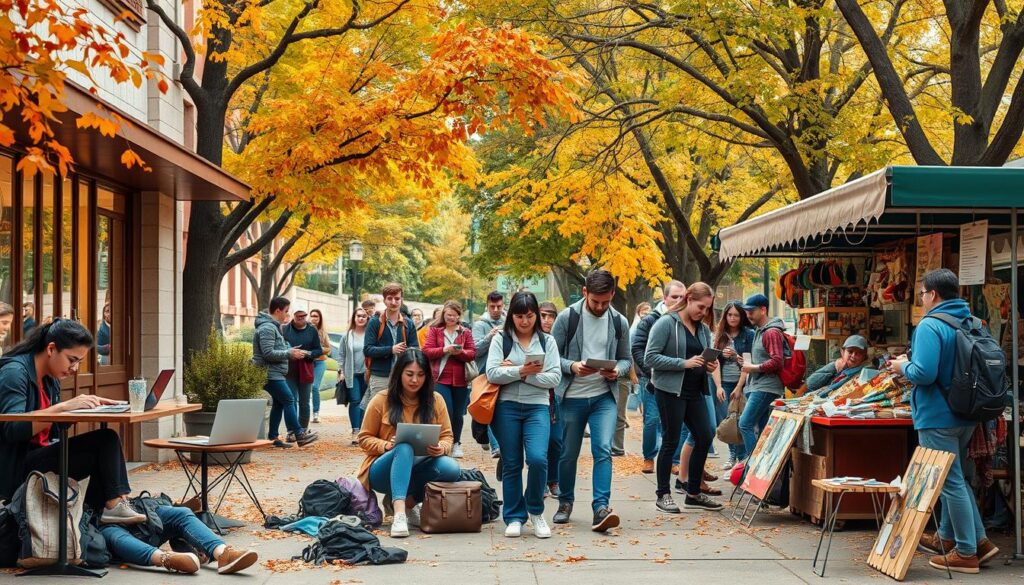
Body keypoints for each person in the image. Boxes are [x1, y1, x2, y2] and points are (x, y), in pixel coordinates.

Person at [890, 269, 998, 574]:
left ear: (933, 295)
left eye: (923, 294)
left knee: (948, 482)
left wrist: (902, 366)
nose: (922, 299)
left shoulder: (930, 325)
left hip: (937, 415)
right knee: (958, 478)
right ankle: (970, 540)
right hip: (967, 415)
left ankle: (966, 552)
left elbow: (924, 373)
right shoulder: (973, 322)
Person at [0, 319, 145, 523]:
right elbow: (12, 429)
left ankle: (100, 515)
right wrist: (65, 407)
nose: (75, 368)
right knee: (105, 440)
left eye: (79, 362)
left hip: (38, 456)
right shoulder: (14, 373)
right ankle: (111, 508)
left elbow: (53, 430)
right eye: (72, 360)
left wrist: (92, 410)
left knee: (102, 449)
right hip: (16, 466)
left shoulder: (50, 379)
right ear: (51, 349)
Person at [551, 270, 631, 532]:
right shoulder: (567, 318)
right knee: (568, 454)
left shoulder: (619, 322)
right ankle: (565, 502)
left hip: (603, 397)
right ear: (585, 292)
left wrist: (617, 370)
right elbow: (551, 358)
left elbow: (626, 358)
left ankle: (601, 507)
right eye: (595, 301)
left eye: (605, 302)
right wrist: (573, 366)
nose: (599, 307)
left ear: (612, 295)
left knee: (603, 449)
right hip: (571, 396)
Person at [357, 349, 461, 538]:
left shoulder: (436, 400)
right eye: (410, 374)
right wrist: (386, 446)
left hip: (421, 465)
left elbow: (447, 436)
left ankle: (408, 503)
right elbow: (363, 438)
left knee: (452, 468)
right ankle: (399, 514)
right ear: (399, 374)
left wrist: (442, 448)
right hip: (382, 471)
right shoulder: (381, 399)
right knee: (404, 447)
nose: (415, 380)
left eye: (421, 375)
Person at [486, 292, 561, 538]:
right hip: (506, 407)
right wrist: (523, 370)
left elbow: (554, 378)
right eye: (519, 316)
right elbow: (493, 374)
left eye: (529, 316)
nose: (525, 321)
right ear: (512, 316)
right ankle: (514, 516)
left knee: (539, 459)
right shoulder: (502, 339)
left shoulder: (547, 341)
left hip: (537, 407)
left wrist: (520, 373)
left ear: (536, 315)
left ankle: (536, 511)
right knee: (512, 463)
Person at [645, 282, 722, 512]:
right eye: (701, 307)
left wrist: (709, 365)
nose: (704, 312)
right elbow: (650, 358)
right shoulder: (666, 323)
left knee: (706, 434)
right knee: (671, 440)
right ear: (688, 299)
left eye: (708, 308)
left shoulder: (703, 329)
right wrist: (683, 363)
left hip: (695, 389)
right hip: (670, 390)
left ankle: (694, 492)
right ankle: (663, 494)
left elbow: (704, 358)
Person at [100, 505, 258, 574]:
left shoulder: (111, 459)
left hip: (137, 514)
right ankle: (167, 559)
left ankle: (223, 554)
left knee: (181, 513)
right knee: (113, 536)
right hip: (101, 523)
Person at [631, 281, 686, 474]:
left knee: (675, 421)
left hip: (678, 379)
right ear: (664, 298)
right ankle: (649, 458)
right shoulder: (650, 320)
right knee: (652, 419)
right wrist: (650, 370)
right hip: (651, 379)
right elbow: (637, 348)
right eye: (674, 297)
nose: (679, 301)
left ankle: (674, 460)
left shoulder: (686, 320)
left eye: (682, 297)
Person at [253, 296, 318, 448]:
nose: (287, 316)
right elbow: (268, 353)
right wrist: (289, 353)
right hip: (270, 373)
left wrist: (290, 350)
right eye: (287, 312)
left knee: (279, 403)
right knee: (289, 400)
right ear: (278, 310)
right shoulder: (267, 328)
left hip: (275, 372)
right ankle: (299, 434)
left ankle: (274, 437)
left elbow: (274, 349)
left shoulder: (272, 326)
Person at [422, 300, 477, 458]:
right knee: (445, 410)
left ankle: (456, 443)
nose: (451, 318)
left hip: (460, 378)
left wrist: (460, 353)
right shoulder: (435, 330)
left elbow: (472, 353)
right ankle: (441, 442)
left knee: (458, 414)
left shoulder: (465, 332)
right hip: (440, 377)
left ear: (459, 316)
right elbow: (427, 351)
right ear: (443, 314)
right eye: (448, 315)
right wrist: (445, 349)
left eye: (454, 315)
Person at [738, 293, 785, 463]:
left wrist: (754, 367)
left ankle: (755, 466)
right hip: (758, 385)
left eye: (751, 311)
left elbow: (777, 362)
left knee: (745, 424)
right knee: (763, 429)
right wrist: (745, 363)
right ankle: (765, 467)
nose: (748, 314)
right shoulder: (759, 331)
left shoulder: (771, 332)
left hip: (766, 386)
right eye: (747, 311)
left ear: (763, 309)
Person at [709, 301, 755, 470]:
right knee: (727, 421)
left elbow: (748, 363)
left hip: (742, 383)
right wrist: (719, 386)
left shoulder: (748, 335)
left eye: (736, 315)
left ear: (742, 316)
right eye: (730, 315)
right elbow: (713, 362)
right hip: (724, 383)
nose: (733, 318)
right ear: (725, 316)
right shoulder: (719, 335)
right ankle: (732, 455)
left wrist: (736, 356)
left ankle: (742, 458)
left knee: (742, 420)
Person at [362, 283, 419, 409]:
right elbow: (367, 349)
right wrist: (391, 349)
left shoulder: (408, 324)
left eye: (397, 298)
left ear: (401, 300)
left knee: (402, 412)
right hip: (380, 376)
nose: (394, 302)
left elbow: (415, 349)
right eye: (390, 298)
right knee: (378, 411)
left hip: (403, 376)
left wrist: (407, 351)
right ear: (384, 300)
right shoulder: (374, 322)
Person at [283, 302, 324, 431]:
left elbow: (318, 350)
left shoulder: (312, 329)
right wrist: (290, 352)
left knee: (304, 402)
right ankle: (291, 430)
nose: (302, 318)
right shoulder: (284, 329)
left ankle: (303, 430)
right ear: (293, 316)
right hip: (289, 369)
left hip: (306, 369)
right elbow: (280, 347)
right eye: (298, 316)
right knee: (291, 400)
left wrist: (308, 354)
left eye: (304, 316)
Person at [473, 291, 505, 457]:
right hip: (485, 372)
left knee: (500, 407)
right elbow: (475, 351)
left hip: (505, 369)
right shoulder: (480, 325)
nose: (495, 309)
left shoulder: (509, 321)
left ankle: (494, 440)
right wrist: (490, 337)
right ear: (487, 306)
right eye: (492, 306)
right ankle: (496, 446)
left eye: (499, 306)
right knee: (490, 407)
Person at [539, 301, 562, 497]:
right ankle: (542, 481)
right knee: (539, 443)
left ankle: (553, 480)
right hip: (535, 396)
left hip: (556, 397)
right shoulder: (530, 338)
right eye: (543, 315)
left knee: (555, 440)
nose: (547, 320)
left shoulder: (558, 338)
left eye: (551, 316)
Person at [337, 307, 370, 444]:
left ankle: (363, 431)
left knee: (366, 402)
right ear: (354, 318)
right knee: (355, 401)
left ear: (367, 318)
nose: (361, 318)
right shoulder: (347, 336)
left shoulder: (370, 335)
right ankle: (355, 431)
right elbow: (341, 355)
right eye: (358, 316)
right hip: (352, 374)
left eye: (364, 316)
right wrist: (341, 372)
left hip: (367, 374)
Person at [308, 309, 332, 424]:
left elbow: (328, 349)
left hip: (320, 363)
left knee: (314, 387)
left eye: (316, 316)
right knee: (305, 388)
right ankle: (304, 413)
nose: (314, 318)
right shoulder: (305, 330)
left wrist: (318, 350)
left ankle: (316, 413)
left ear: (320, 318)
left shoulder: (322, 332)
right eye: (312, 316)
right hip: (307, 363)